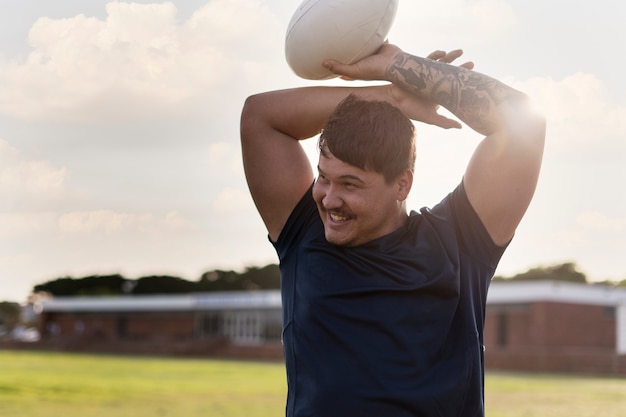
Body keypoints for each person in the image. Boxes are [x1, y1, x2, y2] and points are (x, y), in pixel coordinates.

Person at [240, 44, 545, 417]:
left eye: (350, 185)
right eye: (324, 178)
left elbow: (524, 122)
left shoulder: (460, 242)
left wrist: (398, 64)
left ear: (402, 185)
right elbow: (259, 115)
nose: (329, 199)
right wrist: (391, 95)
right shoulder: (304, 233)